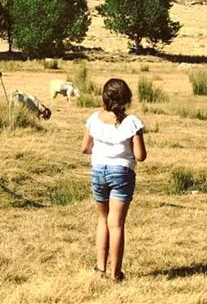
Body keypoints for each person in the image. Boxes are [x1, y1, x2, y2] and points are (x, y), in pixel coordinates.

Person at [81, 78, 147, 282]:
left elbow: (85, 148)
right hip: (122, 172)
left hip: (98, 170)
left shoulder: (93, 119)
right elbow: (140, 155)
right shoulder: (132, 123)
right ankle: (115, 274)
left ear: (105, 98)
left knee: (102, 219)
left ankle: (100, 268)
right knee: (116, 224)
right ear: (127, 99)